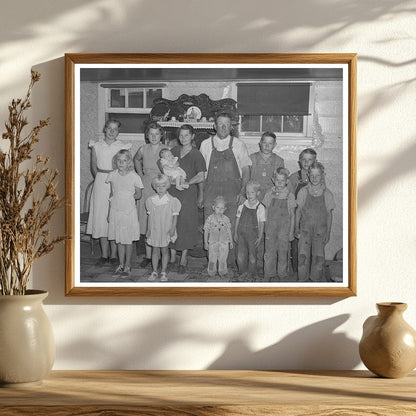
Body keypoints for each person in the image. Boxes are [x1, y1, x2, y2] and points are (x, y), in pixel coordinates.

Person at [200, 113, 251, 266]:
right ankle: (212, 264)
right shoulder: (205, 144)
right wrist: (201, 194)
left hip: (232, 191)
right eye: (220, 124)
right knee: (211, 227)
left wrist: (243, 192)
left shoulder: (239, 144)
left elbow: (246, 170)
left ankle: (226, 264)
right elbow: (201, 173)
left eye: (227, 124)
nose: (223, 127)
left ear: (231, 127)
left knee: (230, 227)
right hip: (210, 190)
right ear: (214, 126)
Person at [87, 119, 132, 266]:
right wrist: (100, 179)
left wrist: (116, 181)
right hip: (101, 182)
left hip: (116, 182)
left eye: (115, 129)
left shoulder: (122, 146)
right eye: (109, 128)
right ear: (105, 129)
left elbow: (125, 166)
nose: (112, 132)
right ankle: (104, 254)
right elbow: (93, 166)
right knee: (100, 217)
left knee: (113, 216)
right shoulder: (97, 145)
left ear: (118, 132)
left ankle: (114, 255)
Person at [168, 125, 206, 274]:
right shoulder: (174, 151)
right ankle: (172, 257)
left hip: (187, 193)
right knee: (171, 223)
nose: (183, 138)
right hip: (172, 192)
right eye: (181, 135)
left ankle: (183, 257)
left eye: (186, 135)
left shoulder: (196, 154)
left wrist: (187, 182)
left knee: (185, 224)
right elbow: (165, 168)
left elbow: (201, 175)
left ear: (192, 136)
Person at [134, 122, 167, 268]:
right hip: (146, 185)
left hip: (160, 185)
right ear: (147, 135)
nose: (154, 137)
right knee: (146, 221)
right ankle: (148, 256)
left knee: (158, 221)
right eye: (151, 134)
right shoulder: (143, 148)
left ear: (161, 135)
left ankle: (159, 255)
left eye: (157, 134)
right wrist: (140, 175)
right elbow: (136, 159)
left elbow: (171, 167)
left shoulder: (165, 149)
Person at [295, 162, 335, 282]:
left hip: (320, 232)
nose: (314, 178)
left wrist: (328, 233)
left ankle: (315, 280)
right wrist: (296, 228)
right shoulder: (303, 192)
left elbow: (329, 215)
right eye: (312, 175)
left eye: (317, 175)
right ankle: (302, 279)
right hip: (305, 231)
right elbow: (298, 212)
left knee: (318, 257)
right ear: (308, 175)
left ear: (323, 175)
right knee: (303, 256)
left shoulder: (327, 194)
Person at [106, 149, 143, 278]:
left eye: (125, 161)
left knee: (128, 240)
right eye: (119, 160)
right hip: (116, 211)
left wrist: (128, 196)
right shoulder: (112, 175)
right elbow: (112, 194)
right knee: (119, 240)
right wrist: (109, 212)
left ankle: (128, 265)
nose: (121, 163)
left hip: (128, 212)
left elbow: (138, 195)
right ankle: (121, 264)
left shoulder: (134, 177)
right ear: (116, 162)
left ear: (129, 162)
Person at [145, 174, 181, 282]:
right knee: (155, 250)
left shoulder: (172, 201)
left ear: (168, 186)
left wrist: (173, 229)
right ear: (154, 187)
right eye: (158, 186)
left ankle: (164, 271)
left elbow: (175, 217)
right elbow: (149, 217)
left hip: (165, 229)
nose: (160, 189)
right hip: (155, 229)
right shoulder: (150, 201)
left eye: (163, 186)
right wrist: (148, 229)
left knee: (165, 250)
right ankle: (155, 271)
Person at [263, 167, 296, 281]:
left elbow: (292, 215)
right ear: (273, 180)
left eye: (282, 180)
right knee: (269, 252)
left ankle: (282, 274)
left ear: (287, 181)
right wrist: (265, 227)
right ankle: (268, 273)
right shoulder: (269, 193)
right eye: (277, 180)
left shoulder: (289, 196)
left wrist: (291, 232)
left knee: (283, 252)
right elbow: (266, 211)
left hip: (284, 231)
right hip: (270, 229)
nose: (279, 183)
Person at [288, 148, 317, 274]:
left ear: (315, 161)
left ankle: (310, 269)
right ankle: (296, 271)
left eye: (310, 160)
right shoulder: (294, 177)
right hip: (297, 215)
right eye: (303, 160)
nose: (306, 163)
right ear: (299, 161)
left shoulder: (318, 177)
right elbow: (288, 197)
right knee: (296, 243)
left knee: (311, 243)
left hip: (312, 215)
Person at [234, 181, 266, 281]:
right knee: (240, 255)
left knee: (252, 256)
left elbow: (261, 223)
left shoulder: (260, 208)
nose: (249, 195)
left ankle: (251, 273)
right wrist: (235, 233)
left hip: (253, 236)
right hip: (241, 234)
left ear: (258, 193)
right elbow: (237, 220)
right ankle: (242, 272)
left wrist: (260, 237)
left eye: (252, 192)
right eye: (247, 192)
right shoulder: (242, 206)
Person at [203, 196, 234, 278]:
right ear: (213, 207)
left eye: (222, 208)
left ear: (225, 209)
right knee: (212, 259)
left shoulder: (226, 219)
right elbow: (206, 231)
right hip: (213, 243)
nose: (220, 210)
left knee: (223, 259)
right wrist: (205, 242)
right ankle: (211, 272)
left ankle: (222, 272)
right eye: (217, 207)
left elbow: (229, 230)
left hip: (224, 243)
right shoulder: (210, 219)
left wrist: (231, 241)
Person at [249, 132, 285, 201]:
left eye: (270, 144)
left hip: (272, 196)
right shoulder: (251, 158)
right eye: (264, 143)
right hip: (254, 196)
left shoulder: (279, 161)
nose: (267, 146)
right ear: (260, 143)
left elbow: (282, 182)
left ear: (274, 145)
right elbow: (246, 179)